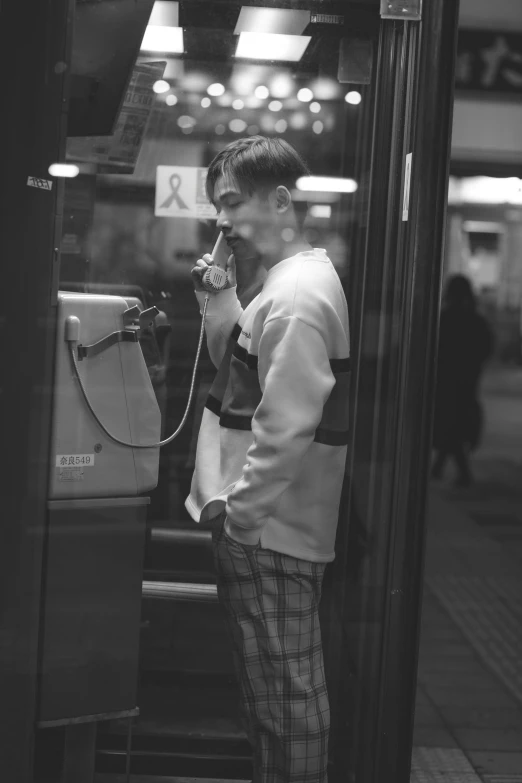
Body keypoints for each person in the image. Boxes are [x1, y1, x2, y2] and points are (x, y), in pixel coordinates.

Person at [185, 136, 350, 783]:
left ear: (280, 199)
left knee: (287, 700)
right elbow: (243, 368)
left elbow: (286, 426)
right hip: (265, 524)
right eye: (216, 206)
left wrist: (242, 519)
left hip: (270, 530)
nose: (220, 220)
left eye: (232, 201)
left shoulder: (299, 295)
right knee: (275, 697)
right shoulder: (285, 285)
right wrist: (220, 298)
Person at [432, 274, 493, 487]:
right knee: (455, 425)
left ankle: (447, 469)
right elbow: (485, 349)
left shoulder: (445, 318)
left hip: (447, 381)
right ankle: (443, 469)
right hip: (466, 382)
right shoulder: (475, 320)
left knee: (449, 424)